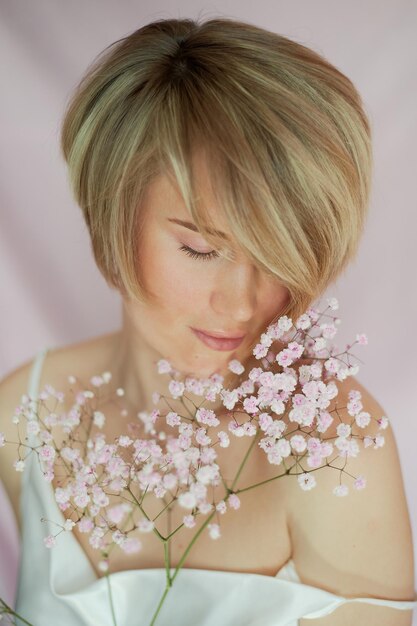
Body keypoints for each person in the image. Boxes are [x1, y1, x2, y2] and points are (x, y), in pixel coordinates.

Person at [0, 15, 416, 626]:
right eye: (200, 249)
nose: (245, 303)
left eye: (278, 256)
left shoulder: (334, 452)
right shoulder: (24, 419)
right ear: (113, 213)